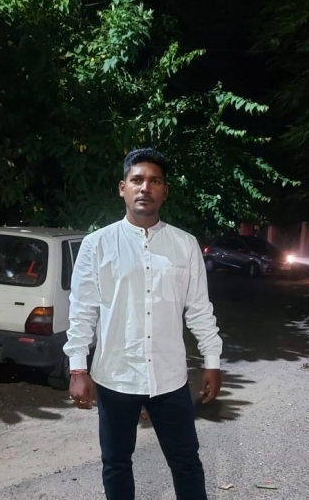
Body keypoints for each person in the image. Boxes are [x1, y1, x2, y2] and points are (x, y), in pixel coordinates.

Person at [64, 147, 223, 500]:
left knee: (186, 462)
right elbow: (82, 310)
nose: (145, 188)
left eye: (154, 181)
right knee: (116, 463)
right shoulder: (97, 245)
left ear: (165, 191)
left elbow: (199, 309)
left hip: (169, 377)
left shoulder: (185, 245)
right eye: (137, 180)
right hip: (115, 375)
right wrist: (78, 368)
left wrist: (212, 361)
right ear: (123, 188)